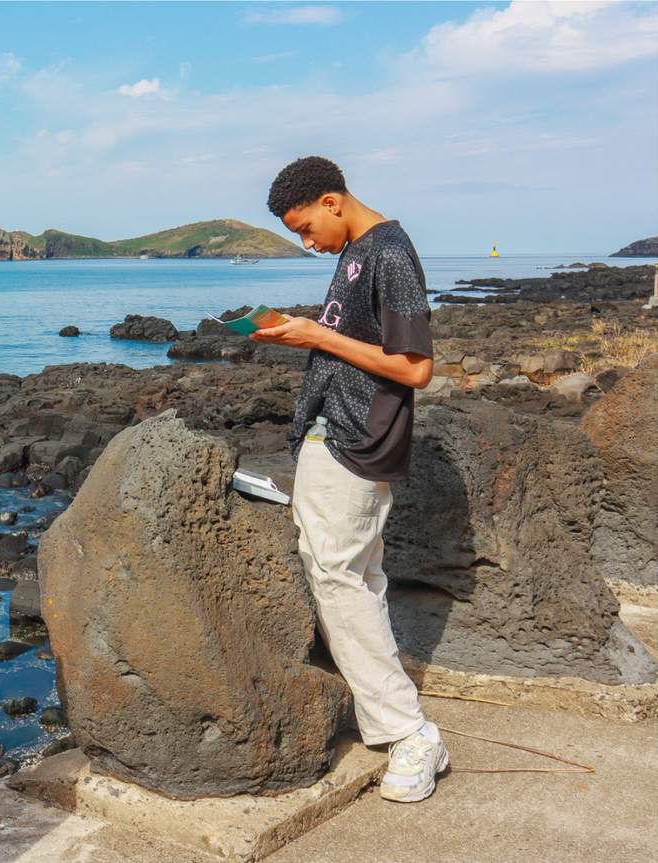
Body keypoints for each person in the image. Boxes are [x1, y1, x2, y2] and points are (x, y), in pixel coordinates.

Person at [255, 156, 448, 803]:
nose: (308, 243)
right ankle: (394, 713)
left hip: (356, 441)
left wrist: (318, 334)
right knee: (355, 577)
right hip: (333, 435)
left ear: (332, 201)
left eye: (306, 227)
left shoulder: (388, 250)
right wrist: (303, 333)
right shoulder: (357, 251)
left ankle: (409, 733)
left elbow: (414, 367)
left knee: (338, 579)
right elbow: (352, 341)